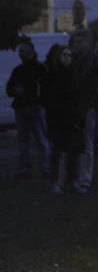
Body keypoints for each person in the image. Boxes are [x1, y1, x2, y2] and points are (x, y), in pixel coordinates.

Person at [69, 29, 98, 192]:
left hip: (89, 107)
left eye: (80, 42)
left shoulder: (97, 61)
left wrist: (91, 106)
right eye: (75, 42)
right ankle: (74, 177)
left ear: (88, 42)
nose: (76, 45)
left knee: (87, 145)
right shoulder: (72, 59)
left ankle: (85, 178)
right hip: (73, 107)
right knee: (73, 144)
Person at [6, 40, 51, 179]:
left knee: (41, 139)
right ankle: (25, 168)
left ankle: (46, 167)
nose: (20, 54)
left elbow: (47, 88)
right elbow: (10, 88)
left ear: (31, 52)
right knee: (23, 140)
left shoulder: (40, 69)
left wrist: (40, 103)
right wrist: (15, 91)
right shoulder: (18, 70)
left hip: (35, 109)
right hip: (21, 108)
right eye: (20, 51)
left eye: (23, 51)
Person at [43, 44, 83, 194]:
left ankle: (72, 180)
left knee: (73, 152)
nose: (67, 58)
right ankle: (56, 182)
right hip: (57, 119)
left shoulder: (74, 75)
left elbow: (77, 97)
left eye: (69, 55)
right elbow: (49, 99)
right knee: (58, 152)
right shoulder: (52, 75)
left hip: (72, 120)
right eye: (64, 55)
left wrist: (78, 118)